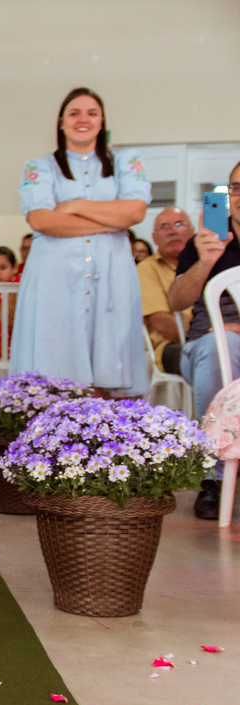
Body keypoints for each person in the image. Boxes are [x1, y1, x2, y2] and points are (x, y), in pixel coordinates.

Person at [11, 87, 151, 398]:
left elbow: (135, 211)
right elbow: (41, 221)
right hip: (55, 279)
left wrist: (74, 206)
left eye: (92, 113)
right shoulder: (40, 167)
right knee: (55, 362)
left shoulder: (126, 163)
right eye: (74, 113)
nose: (82, 119)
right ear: (61, 122)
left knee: (107, 356)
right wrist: (109, 220)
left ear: (102, 122)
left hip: (112, 276)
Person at [168, 161, 240, 520]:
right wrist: (205, 261)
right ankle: (213, 477)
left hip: (232, 335)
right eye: (235, 188)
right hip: (205, 345)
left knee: (230, 340)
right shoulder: (208, 239)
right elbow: (176, 301)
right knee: (219, 348)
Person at [137, 207, 194, 374]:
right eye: (165, 227)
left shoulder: (206, 264)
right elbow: (160, 322)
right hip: (172, 347)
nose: (172, 231)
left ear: (192, 232)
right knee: (212, 355)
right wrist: (205, 336)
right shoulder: (147, 269)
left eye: (179, 224)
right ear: (154, 238)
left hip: (217, 338)